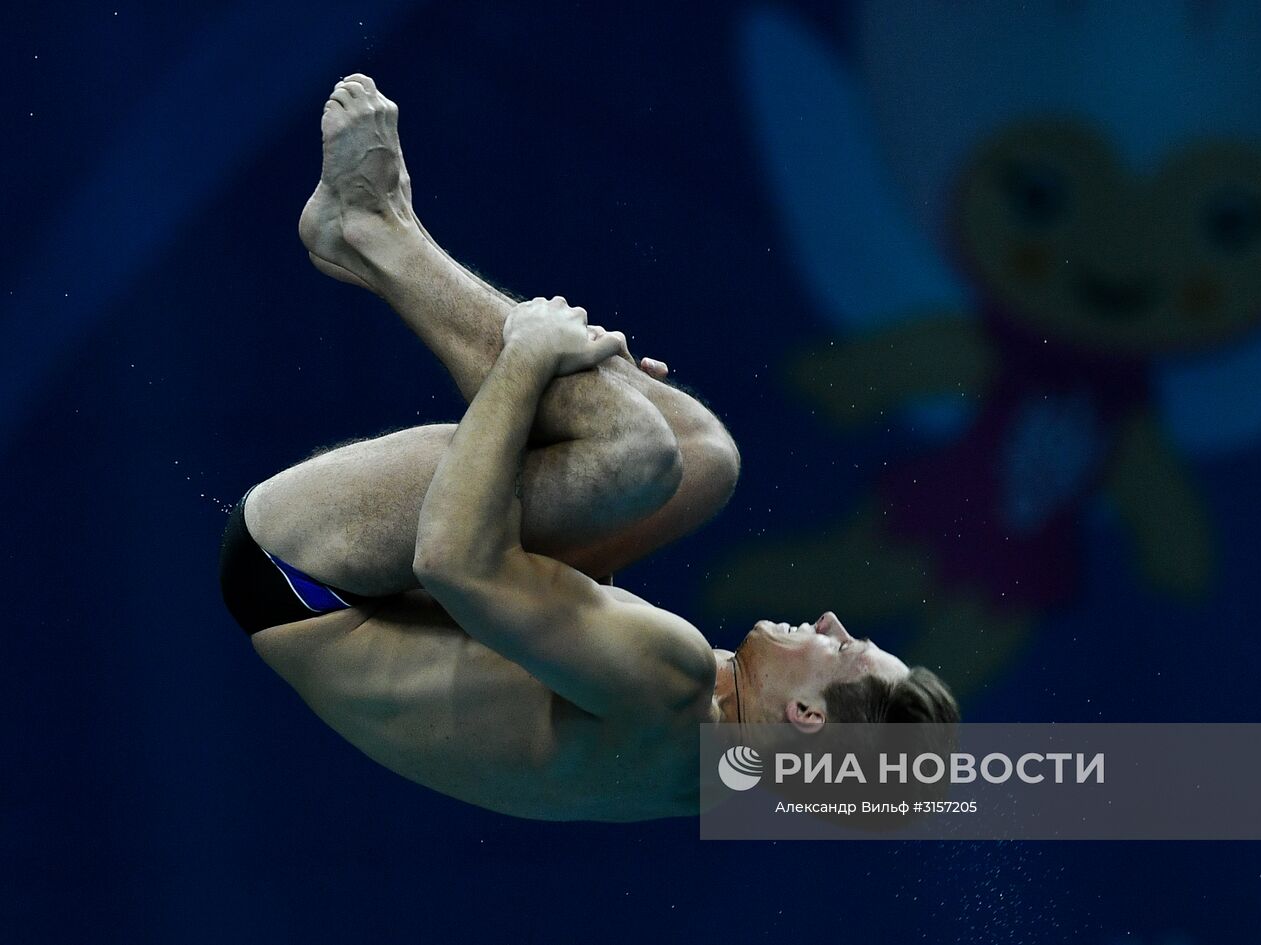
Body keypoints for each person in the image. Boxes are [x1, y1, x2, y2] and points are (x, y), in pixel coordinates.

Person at [219, 74, 957, 821]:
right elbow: (528, 647)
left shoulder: (675, 680)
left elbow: (450, 561)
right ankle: (384, 250)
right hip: (368, 601)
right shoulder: (715, 770)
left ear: (806, 716)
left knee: (637, 453)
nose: (833, 624)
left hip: (304, 571)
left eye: (846, 651)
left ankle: (370, 225)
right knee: (702, 458)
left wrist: (528, 363)